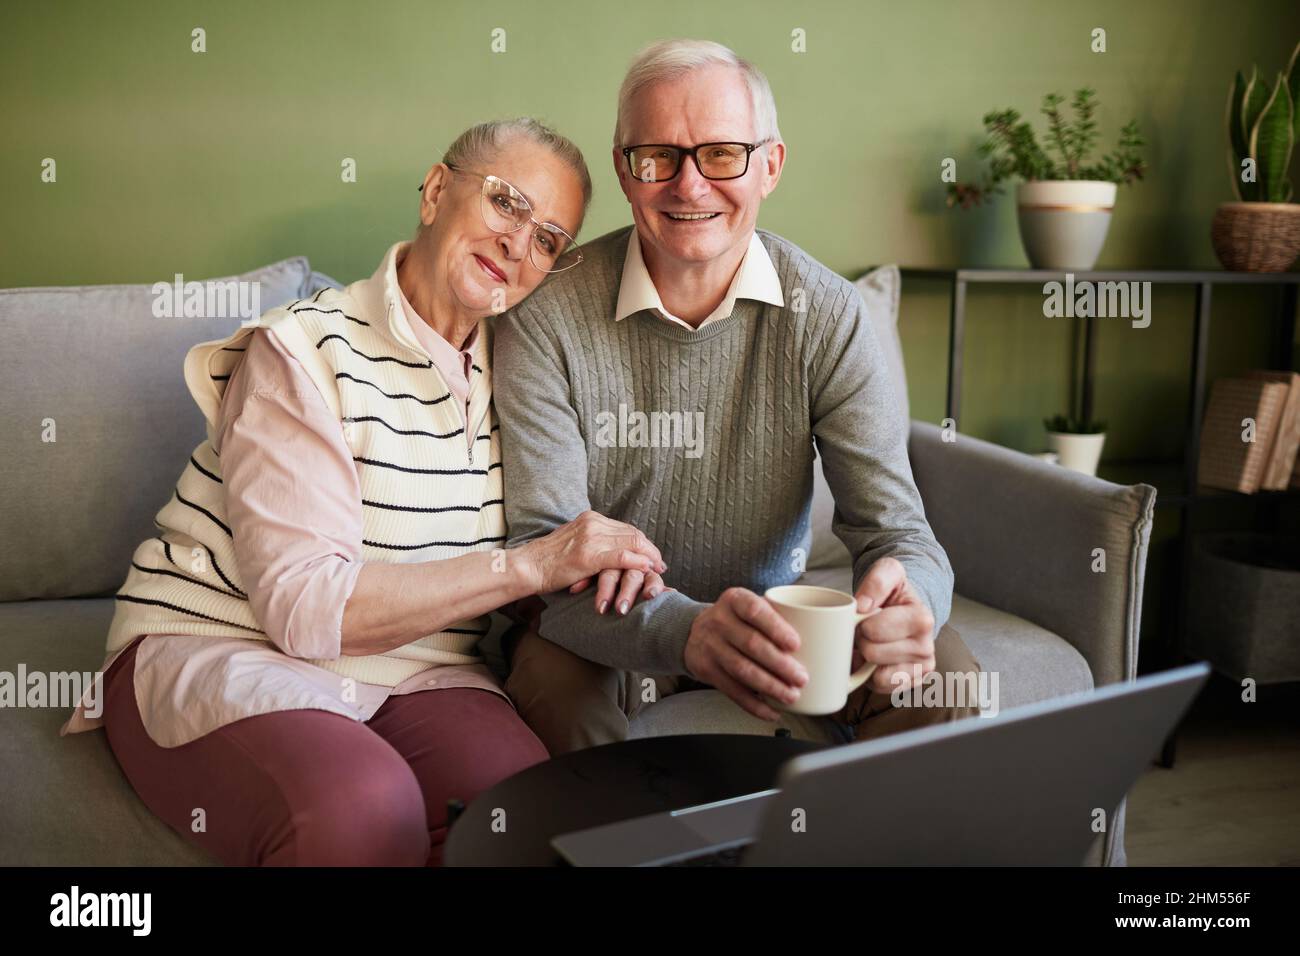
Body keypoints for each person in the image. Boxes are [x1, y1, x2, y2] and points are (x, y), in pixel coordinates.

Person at [59, 118, 667, 866]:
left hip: (423, 669)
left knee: (526, 815)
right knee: (360, 807)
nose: (517, 243)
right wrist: (535, 565)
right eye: (507, 203)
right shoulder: (303, 351)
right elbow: (304, 611)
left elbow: (551, 543)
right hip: (226, 643)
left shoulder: (529, 376)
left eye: (547, 239)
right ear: (437, 190)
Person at [495, 41, 982, 755]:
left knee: (945, 674)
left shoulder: (830, 313)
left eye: (721, 154)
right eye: (658, 156)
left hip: (778, 622)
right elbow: (544, 549)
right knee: (560, 703)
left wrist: (916, 602)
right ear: (625, 172)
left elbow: (898, 531)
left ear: (771, 166)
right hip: (601, 631)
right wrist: (688, 631)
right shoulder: (545, 315)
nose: (689, 187)